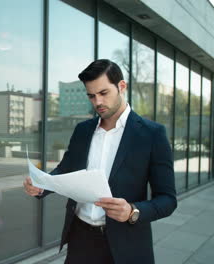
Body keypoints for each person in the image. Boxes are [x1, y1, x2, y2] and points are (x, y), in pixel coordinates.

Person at [23, 59, 177, 264]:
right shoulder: (83, 130)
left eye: (103, 93)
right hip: (80, 240)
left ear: (121, 87)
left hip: (126, 245)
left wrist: (133, 211)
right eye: (91, 96)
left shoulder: (152, 134)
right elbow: (65, 170)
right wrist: (42, 185)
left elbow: (168, 200)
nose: (97, 102)